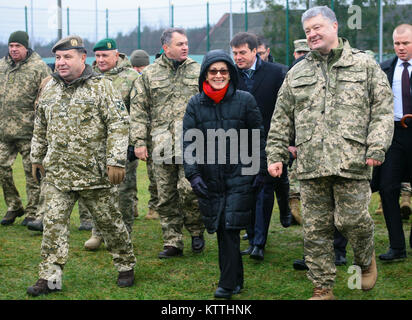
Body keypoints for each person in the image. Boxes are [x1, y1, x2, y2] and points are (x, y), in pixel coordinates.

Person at [266, 6, 394, 300]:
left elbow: (383, 110)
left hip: (353, 160)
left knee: (353, 221)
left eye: (317, 27)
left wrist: (376, 145)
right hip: (311, 165)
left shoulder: (364, 65)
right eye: (307, 30)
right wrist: (275, 155)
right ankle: (322, 288)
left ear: (335, 26)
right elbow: (281, 117)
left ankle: (364, 258)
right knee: (315, 230)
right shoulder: (297, 73)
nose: (312, 34)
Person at [26, 35, 136, 296]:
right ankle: (50, 278)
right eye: (58, 57)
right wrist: (36, 157)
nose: (61, 63)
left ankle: (125, 265)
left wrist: (116, 160)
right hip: (58, 174)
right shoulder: (49, 88)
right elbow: (40, 126)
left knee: (110, 224)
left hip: (94, 175)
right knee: (53, 225)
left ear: (82, 58)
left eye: (68, 57)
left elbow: (119, 124)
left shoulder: (102, 87)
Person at [183, 49, 266, 299]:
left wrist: (259, 170)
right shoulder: (195, 104)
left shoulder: (245, 100)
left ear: (230, 74)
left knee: (230, 228)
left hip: (240, 174)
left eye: (223, 71)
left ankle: (226, 284)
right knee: (220, 227)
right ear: (205, 75)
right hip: (210, 177)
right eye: (213, 71)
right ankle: (236, 279)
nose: (218, 75)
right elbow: (188, 142)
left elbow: (258, 137)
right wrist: (193, 174)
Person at [130, 27, 205, 258]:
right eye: (180, 44)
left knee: (189, 190)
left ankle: (195, 231)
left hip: (192, 144)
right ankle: (172, 241)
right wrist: (139, 142)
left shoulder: (198, 71)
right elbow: (138, 110)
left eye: (186, 43)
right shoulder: (149, 75)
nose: (185, 47)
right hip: (160, 145)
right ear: (166, 48)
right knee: (166, 196)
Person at [230, 32, 290, 261]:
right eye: (235, 53)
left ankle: (259, 243)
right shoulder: (231, 74)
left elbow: (286, 110)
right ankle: (252, 234)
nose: (238, 57)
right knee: (247, 191)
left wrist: (288, 143)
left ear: (256, 51)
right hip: (239, 143)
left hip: (269, 141)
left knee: (265, 190)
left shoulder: (276, 73)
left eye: (242, 52)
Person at [290, 38, 349, 270]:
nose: (304, 55)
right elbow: (291, 112)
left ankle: (338, 251)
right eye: (300, 52)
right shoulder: (296, 73)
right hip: (309, 149)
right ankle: (314, 255)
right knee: (314, 207)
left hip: (337, 147)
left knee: (338, 203)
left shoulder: (340, 70)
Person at [81, 38, 140, 250]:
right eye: (97, 56)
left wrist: (134, 143)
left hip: (122, 146)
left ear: (117, 55)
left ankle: (123, 234)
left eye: (105, 55)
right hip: (95, 147)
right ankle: (98, 232)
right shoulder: (88, 78)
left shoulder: (132, 78)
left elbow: (139, 112)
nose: (100, 60)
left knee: (123, 191)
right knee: (97, 192)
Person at [0, 31, 51, 226]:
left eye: (18, 46)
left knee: (33, 174)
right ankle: (14, 205)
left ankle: (33, 211)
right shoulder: (2, 66)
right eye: (11, 45)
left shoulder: (39, 68)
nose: (13, 49)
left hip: (30, 132)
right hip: (4, 132)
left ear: (26, 47)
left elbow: (47, 98)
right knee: (2, 168)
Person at [376, 23, 412, 259]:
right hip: (394, 134)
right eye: (397, 43)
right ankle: (397, 247)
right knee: (387, 188)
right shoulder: (385, 68)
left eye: (406, 43)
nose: (400, 48)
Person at [130, 49, 159, 220]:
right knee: (139, 174)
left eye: (141, 67)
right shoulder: (132, 80)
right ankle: (134, 206)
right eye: (135, 67)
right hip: (139, 133)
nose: (138, 71)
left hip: (157, 134)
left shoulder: (152, 79)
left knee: (157, 174)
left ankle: (155, 207)